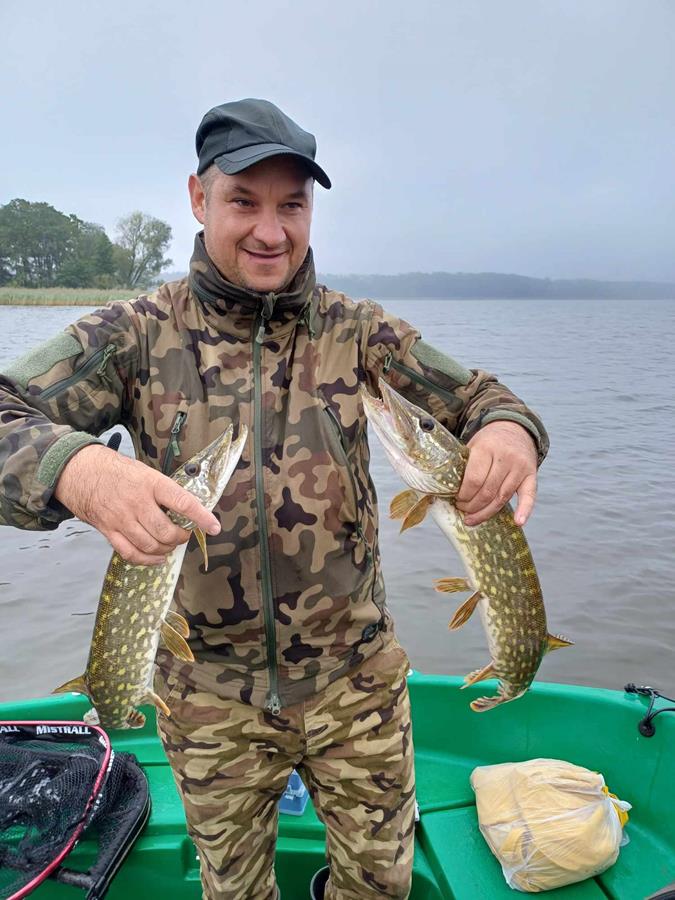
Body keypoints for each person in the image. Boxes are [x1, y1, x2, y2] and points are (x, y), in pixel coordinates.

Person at [0, 98, 548, 900]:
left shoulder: (358, 332)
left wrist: (507, 432)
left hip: (357, 684)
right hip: (206, 698)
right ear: (198, 198)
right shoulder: (134, 335)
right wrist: (77, 470)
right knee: (233, 891)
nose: (270, 231)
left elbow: (483, 399)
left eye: (291, 205)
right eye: (243, 202)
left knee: (380, 885)